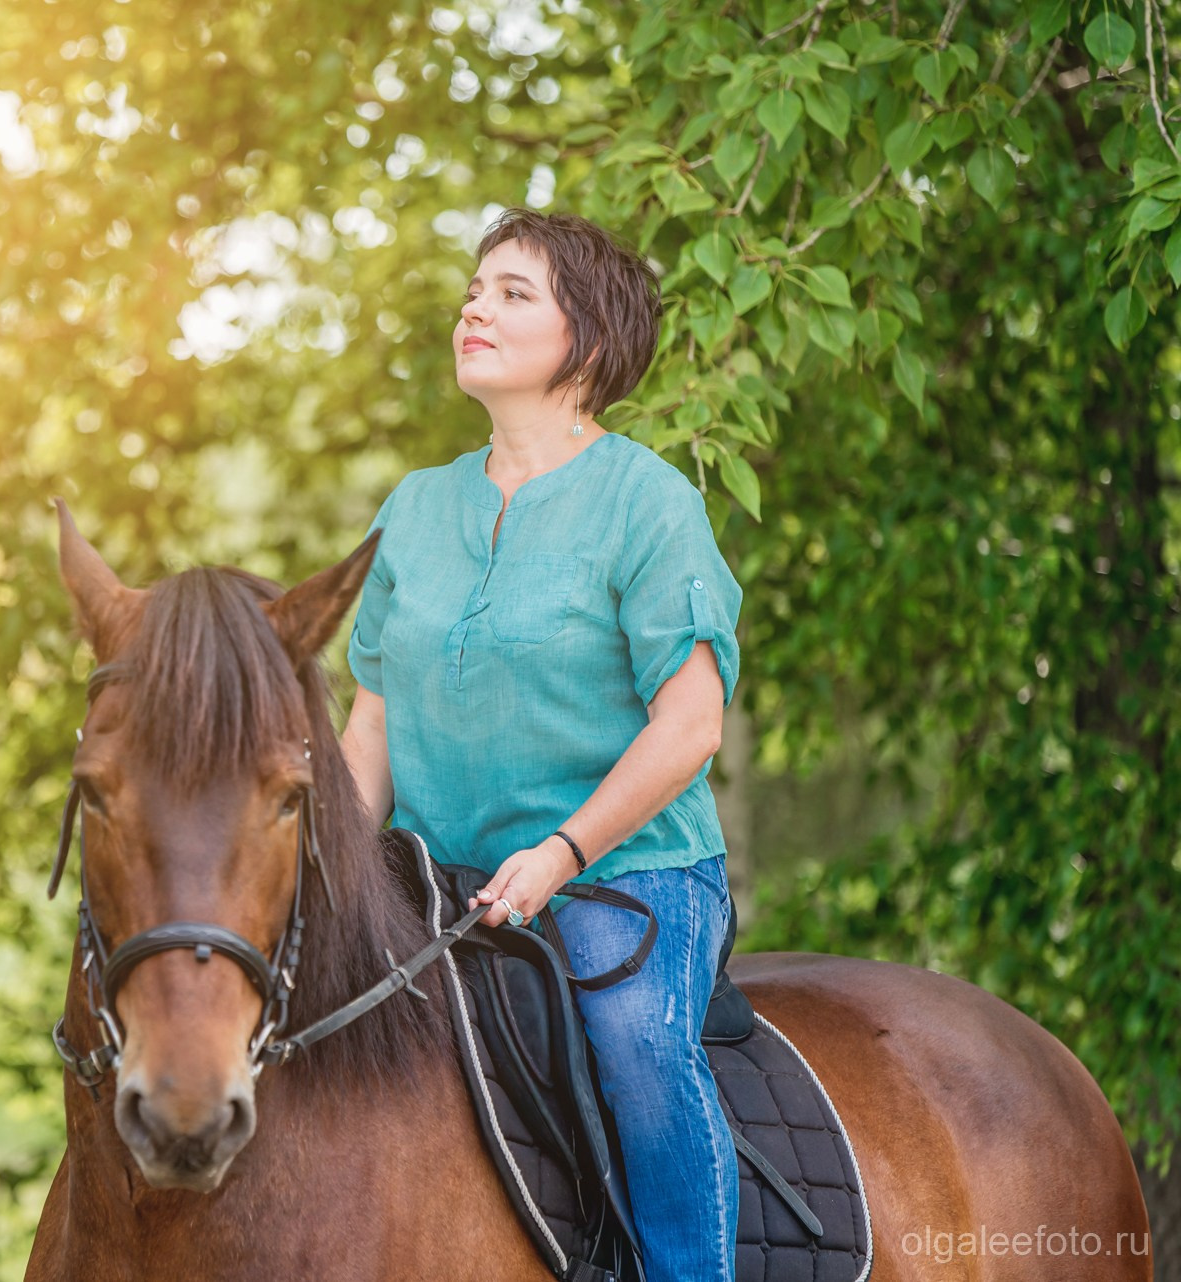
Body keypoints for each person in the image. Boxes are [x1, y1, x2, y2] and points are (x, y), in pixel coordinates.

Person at [338, 207, 743, 1282]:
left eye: (514, 293)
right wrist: (319, 868)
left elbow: (692, 723)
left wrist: (560, 854)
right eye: (476, 288)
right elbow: (371, 722)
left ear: (590, 344)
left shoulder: (648, 503)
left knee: (640, 1052)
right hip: (431, 883)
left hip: (625, 879)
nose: (475, 306)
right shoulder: (415, 509)